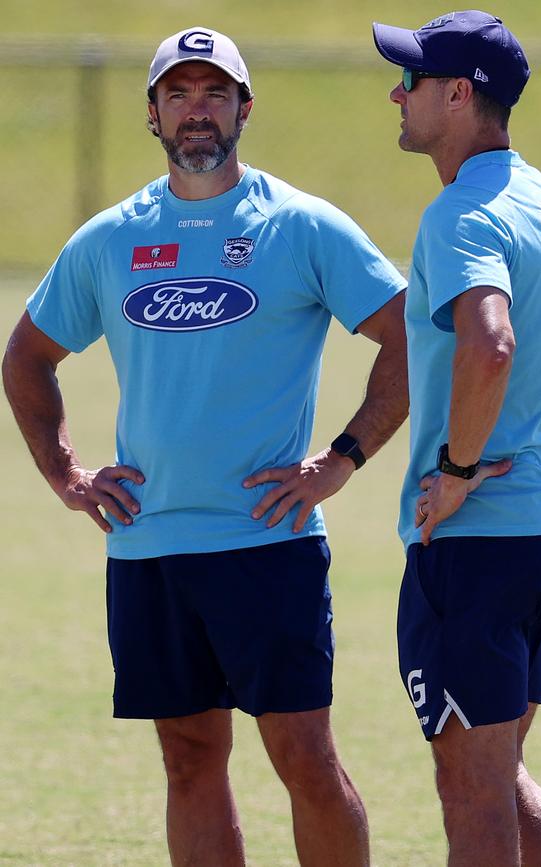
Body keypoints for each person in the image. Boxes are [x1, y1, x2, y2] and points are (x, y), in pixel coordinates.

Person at [2, 27, 410, 867]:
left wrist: (342, 457)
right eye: (179, 93)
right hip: (149, 545)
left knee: (304, 758)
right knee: (190, 760)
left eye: (215, 92)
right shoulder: (111, 238)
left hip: (267, 542)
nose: (198, 110)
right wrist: (68, 476)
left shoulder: (299, 226)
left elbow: (408, 336)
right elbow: (27, 356)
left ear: (244, 109)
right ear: (152, 114)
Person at [373, 10, 541, 867]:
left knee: (474, 794)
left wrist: (456, 468)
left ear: (458, 94)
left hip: (480, 546)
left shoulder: (462, 213)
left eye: (411, 80)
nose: (397, 93)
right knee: (499, 775)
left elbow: (490, 343)